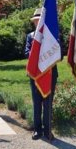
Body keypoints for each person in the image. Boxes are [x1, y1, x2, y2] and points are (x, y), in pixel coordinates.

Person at [24, 8, 58, 141]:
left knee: (48, 103)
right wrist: (37, 48)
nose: (37, 23)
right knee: (37, 103)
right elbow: (27, 53)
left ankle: (48, 130)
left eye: (39, 20)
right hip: (35, 74)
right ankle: (37, 130)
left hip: (49, 74)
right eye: (35, 21)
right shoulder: (30, 36)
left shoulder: (52, 37)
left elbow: (57, 54)